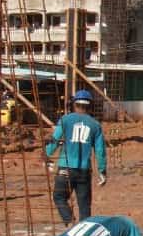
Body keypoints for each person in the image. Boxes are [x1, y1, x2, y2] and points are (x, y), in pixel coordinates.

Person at [46, 90, 107, 225]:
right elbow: (100, 150)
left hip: (65, 168)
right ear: (90, 106)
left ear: (74, 104)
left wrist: (46, 155)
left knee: (59, 196)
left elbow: (54, 141)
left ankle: (69, 220)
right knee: (84, 206)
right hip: (84, 171)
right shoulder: (95, 125)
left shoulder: (65, 120)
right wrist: (102, 170)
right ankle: (84, 233)